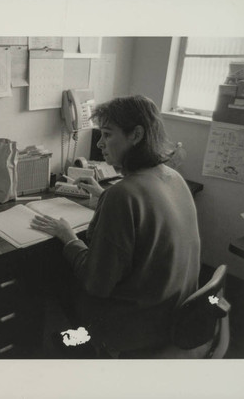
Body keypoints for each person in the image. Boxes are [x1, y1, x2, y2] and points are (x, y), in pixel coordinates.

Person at [31, 95, 201, 358]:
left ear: (136, 135)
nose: (100, 144)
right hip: (176, 313)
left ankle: (78, 344)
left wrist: (68, 238)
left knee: (51, 276)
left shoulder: (123, 195)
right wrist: (103, 197)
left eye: (107, 135)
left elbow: (97, 284)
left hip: (135, 328)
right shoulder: (173, 177)